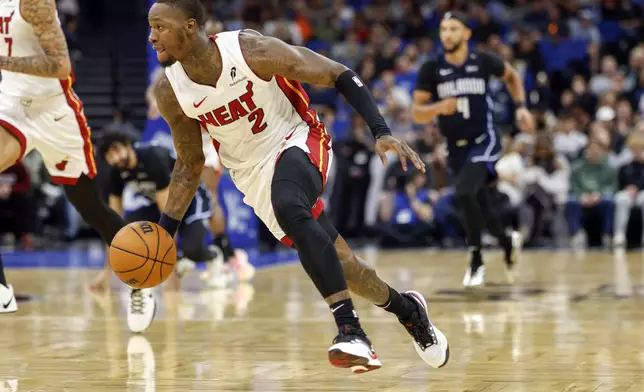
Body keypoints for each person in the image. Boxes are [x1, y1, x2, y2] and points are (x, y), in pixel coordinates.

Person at [147, 0, 449, 373]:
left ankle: (351, 332)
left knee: (289, 204)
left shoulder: (250, 51)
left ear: (190, 26)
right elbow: (190, 162)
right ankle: (409, 310)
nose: (152, 36)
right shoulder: (169, 91)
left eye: (160, 26)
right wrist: (165, 233)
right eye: (150, 27)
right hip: (251, 173)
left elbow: (339, 73)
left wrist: (381, 132)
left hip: (296, 138)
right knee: (346, 267)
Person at [0, 0, 125, 314]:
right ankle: (2, 291)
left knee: (90, 208)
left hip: (54, 111)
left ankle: (139, 275)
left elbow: (60, 66)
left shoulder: (34, 3)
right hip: (11, 106)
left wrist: (2, 61)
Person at [411, 11, 534, 288]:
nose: (447, 35)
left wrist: (521, 107)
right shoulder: (431, 68)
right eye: (443, 29)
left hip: (485, 139)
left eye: (453, 29)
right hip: (456, 147)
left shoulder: (482, 61)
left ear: (466, 33)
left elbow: (512, 77)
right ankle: (506, 241)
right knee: (479, 204)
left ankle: (476, 259)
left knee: (464, 191)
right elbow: (417, 112)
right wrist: (438, 108)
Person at [97, 131, 230, 295]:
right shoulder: (115, 173)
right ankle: (179, 261)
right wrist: (106, 273)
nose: (115, 158)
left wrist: (169, 272)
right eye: (110, 156)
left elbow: (169, 215)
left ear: (127, 144)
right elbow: (113, 224)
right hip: (160, 204)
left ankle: (213, 256)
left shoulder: (152, 158)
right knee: (130, 229)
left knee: (192, 249)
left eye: (116, 150)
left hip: (190, 200)